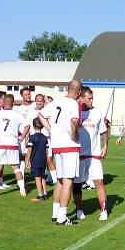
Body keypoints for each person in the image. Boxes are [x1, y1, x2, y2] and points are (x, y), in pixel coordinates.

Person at [38, 80, 83, 225]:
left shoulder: (56, 102)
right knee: (68, 181)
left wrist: (51, 129)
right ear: (79, 92)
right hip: (69, 146)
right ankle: (62, 217)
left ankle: (55, 213)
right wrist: (74, 136)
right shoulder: (74, 104)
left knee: (60, 180)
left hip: (56, 144)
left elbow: (40, 115)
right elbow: (74, 121)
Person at [73, 87, 110, 221]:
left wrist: (105, 145)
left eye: (92, 98)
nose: (91, 101)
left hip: (94, 155)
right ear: (81, 98)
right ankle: (79, 208)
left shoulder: (97, 112)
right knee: (77, 184)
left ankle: (104, 210)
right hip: (77, 155)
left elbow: (103, 131)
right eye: (89, 98)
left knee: (99, 181)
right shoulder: (74, 111)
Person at [0, 94, 29, 198]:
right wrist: (22, 137)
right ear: (13, 103)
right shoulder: (17, 114)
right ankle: (22, 190)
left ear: (4, 102)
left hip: (1, 142)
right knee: (16, 168)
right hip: (13, 142)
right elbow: (27, 126)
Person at [26, 119, 49, 202]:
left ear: (33, 126)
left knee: (37, 178)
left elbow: (29, 150)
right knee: (42, 177)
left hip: (35, 160)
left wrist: (27, 160)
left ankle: (40, 195)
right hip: (43, 160)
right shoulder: (44, 138)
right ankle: (45, 193)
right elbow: (46, 151)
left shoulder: (32, 137)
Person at [15, 88, 37, 172]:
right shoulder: (19, 109)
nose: (28, 96)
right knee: (22, 156)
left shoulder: (35, 104)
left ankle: (39, 177)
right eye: (25, 94)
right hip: (24, 136)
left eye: (29, 94)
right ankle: (22, 178)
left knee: (36, 156)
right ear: (22, 96)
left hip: (35, 134)